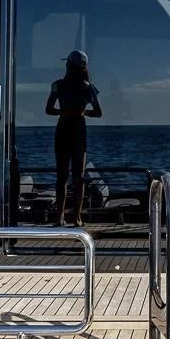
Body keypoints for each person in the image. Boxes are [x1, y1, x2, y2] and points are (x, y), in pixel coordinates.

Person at [45, 50, 103, 225]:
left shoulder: (59, 85)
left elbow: (48, 109)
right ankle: (76, 217)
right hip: (78, 131)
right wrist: (82, 112)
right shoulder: (88, 87)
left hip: (63, 131)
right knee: (78, 176)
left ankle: (60, 216)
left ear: (68, 65)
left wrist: (63, 111)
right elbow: (98, 113)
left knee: (62, 176)